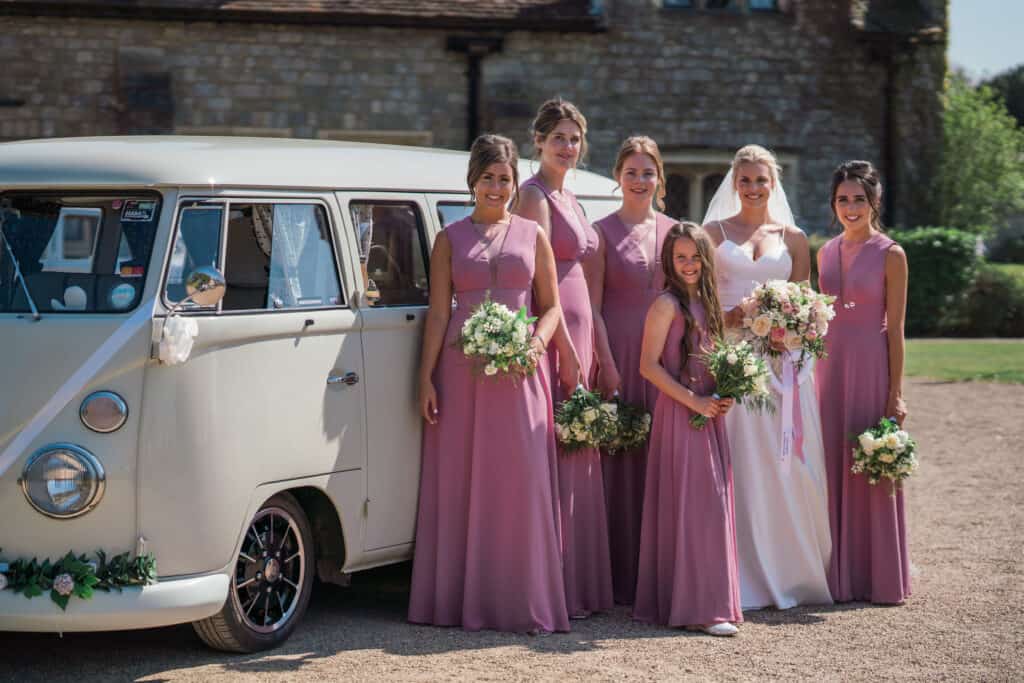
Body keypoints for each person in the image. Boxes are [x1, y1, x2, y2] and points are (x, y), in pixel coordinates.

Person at [408, 134, 573, 633]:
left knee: (519, 483)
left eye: (504, 179)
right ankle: (458, 603)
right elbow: (439, 315)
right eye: (488, 178)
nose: (496, 187)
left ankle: (521, 602)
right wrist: (425, 379)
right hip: (461, 374)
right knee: (461, 482)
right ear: (472, 182)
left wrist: (536, 346)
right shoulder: (448, 239)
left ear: (514, 182)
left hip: (522, 374)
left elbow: (552, 308)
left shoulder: (532, 235)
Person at [702, 144, 833, 610]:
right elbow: (699, 300)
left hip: (784, 365)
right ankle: (738, 572)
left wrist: (789, 328)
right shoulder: (711, 233)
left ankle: (791, 570)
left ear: (773, 184)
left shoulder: (794, 237)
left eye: (761, 180)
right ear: (733, 184)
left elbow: (805, 299)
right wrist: (737, 316)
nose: (753, 188)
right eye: (745, 180)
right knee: (742, 457)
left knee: (785, 461)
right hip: (735, 356)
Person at [515, 98, 614, 618]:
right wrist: (566, 349)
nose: (568, 147)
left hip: (581, 329)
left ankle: (580, 583)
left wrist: (594, 343)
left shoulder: (570, 196)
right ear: (538, 140)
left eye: (575, 139)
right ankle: (554, 585)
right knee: (558, 450)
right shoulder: (532, 198)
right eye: (559, 138)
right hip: (555, 337)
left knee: (580, 450)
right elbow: (536, 285)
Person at [633, 222, 740, 636]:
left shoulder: (708, 302)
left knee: (711, 505)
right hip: (681, 413)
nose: (689, 265)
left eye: (695, 257)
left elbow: (712, 356)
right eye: (681, 258)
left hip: (709, 414)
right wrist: (693, 400)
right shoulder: (665, 304)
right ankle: (700, 608)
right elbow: (648, 365)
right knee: (697, 507)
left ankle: (706, 600)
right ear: (669, 261)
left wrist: (724, 392)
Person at [816, 160, 911, 604]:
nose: (850, 207)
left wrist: (896, 394)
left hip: (871, 367)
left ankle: (880, 576)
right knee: (835, 464)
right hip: (828, 371)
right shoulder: (825, 252)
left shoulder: (891, 253)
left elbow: (895, 329)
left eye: (858, 199)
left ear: (874, 201)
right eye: (842, 200)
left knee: (871, 463)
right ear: (833, 204)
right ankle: (841, 574)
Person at [587, 135, 674, 605]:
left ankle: (658, 570)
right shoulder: (600, 231)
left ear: (659, 177)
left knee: (664, 456)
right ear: (617, 176)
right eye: (631, 172)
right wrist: (607, 363)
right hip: (619, 352)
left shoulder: (678, 230)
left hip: (665, 358)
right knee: (617, 461)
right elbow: (593, 305)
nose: (640, 180)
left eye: (648, 172)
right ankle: (619, 575)